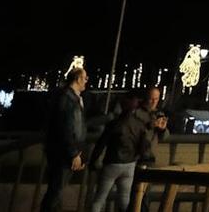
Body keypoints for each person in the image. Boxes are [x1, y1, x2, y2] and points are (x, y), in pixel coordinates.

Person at [87, 92, 153, 212]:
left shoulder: (114, 124)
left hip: (112, 162)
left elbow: (101, 144)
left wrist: (93, 161)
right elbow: (144, 146)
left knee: (99, 199)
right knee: (124, 200)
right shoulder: (139, 125)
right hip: (129, 164)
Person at [42, 68, 89, 212]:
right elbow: (66, 128)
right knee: (55, 191)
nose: (86, 81)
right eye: (85, 78)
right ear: (78, 79)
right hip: (63, 153)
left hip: (64, 151)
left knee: (56, 191)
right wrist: (73, 153)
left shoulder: (70, 98)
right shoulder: (67, 99)